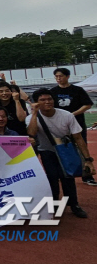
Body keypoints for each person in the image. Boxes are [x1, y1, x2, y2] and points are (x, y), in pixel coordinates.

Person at [27, 88, 95, 218]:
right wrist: (35, 113)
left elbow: (78, 137)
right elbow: (32, 133)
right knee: (52, 177)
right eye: (42, 100)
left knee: (68, 177)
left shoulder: (66, 115)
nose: (47, 102)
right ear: (36, 102)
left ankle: (74, 204)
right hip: (47, 151)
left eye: (50, 99)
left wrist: (87, 159)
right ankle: (54, 203)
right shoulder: (31, 118)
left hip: (66, 149)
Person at [51, 68, 96, 186]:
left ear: (67, 76)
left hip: (77, 124)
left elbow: (87, 104)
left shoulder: (77, 90)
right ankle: (63, 174)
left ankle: (87, 175)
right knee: (60, 149)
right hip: (59, 126)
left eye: (60, 76)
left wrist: (73, 114)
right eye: (56, 77)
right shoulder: (53, 92)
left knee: (82, 148)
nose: (58, 79)